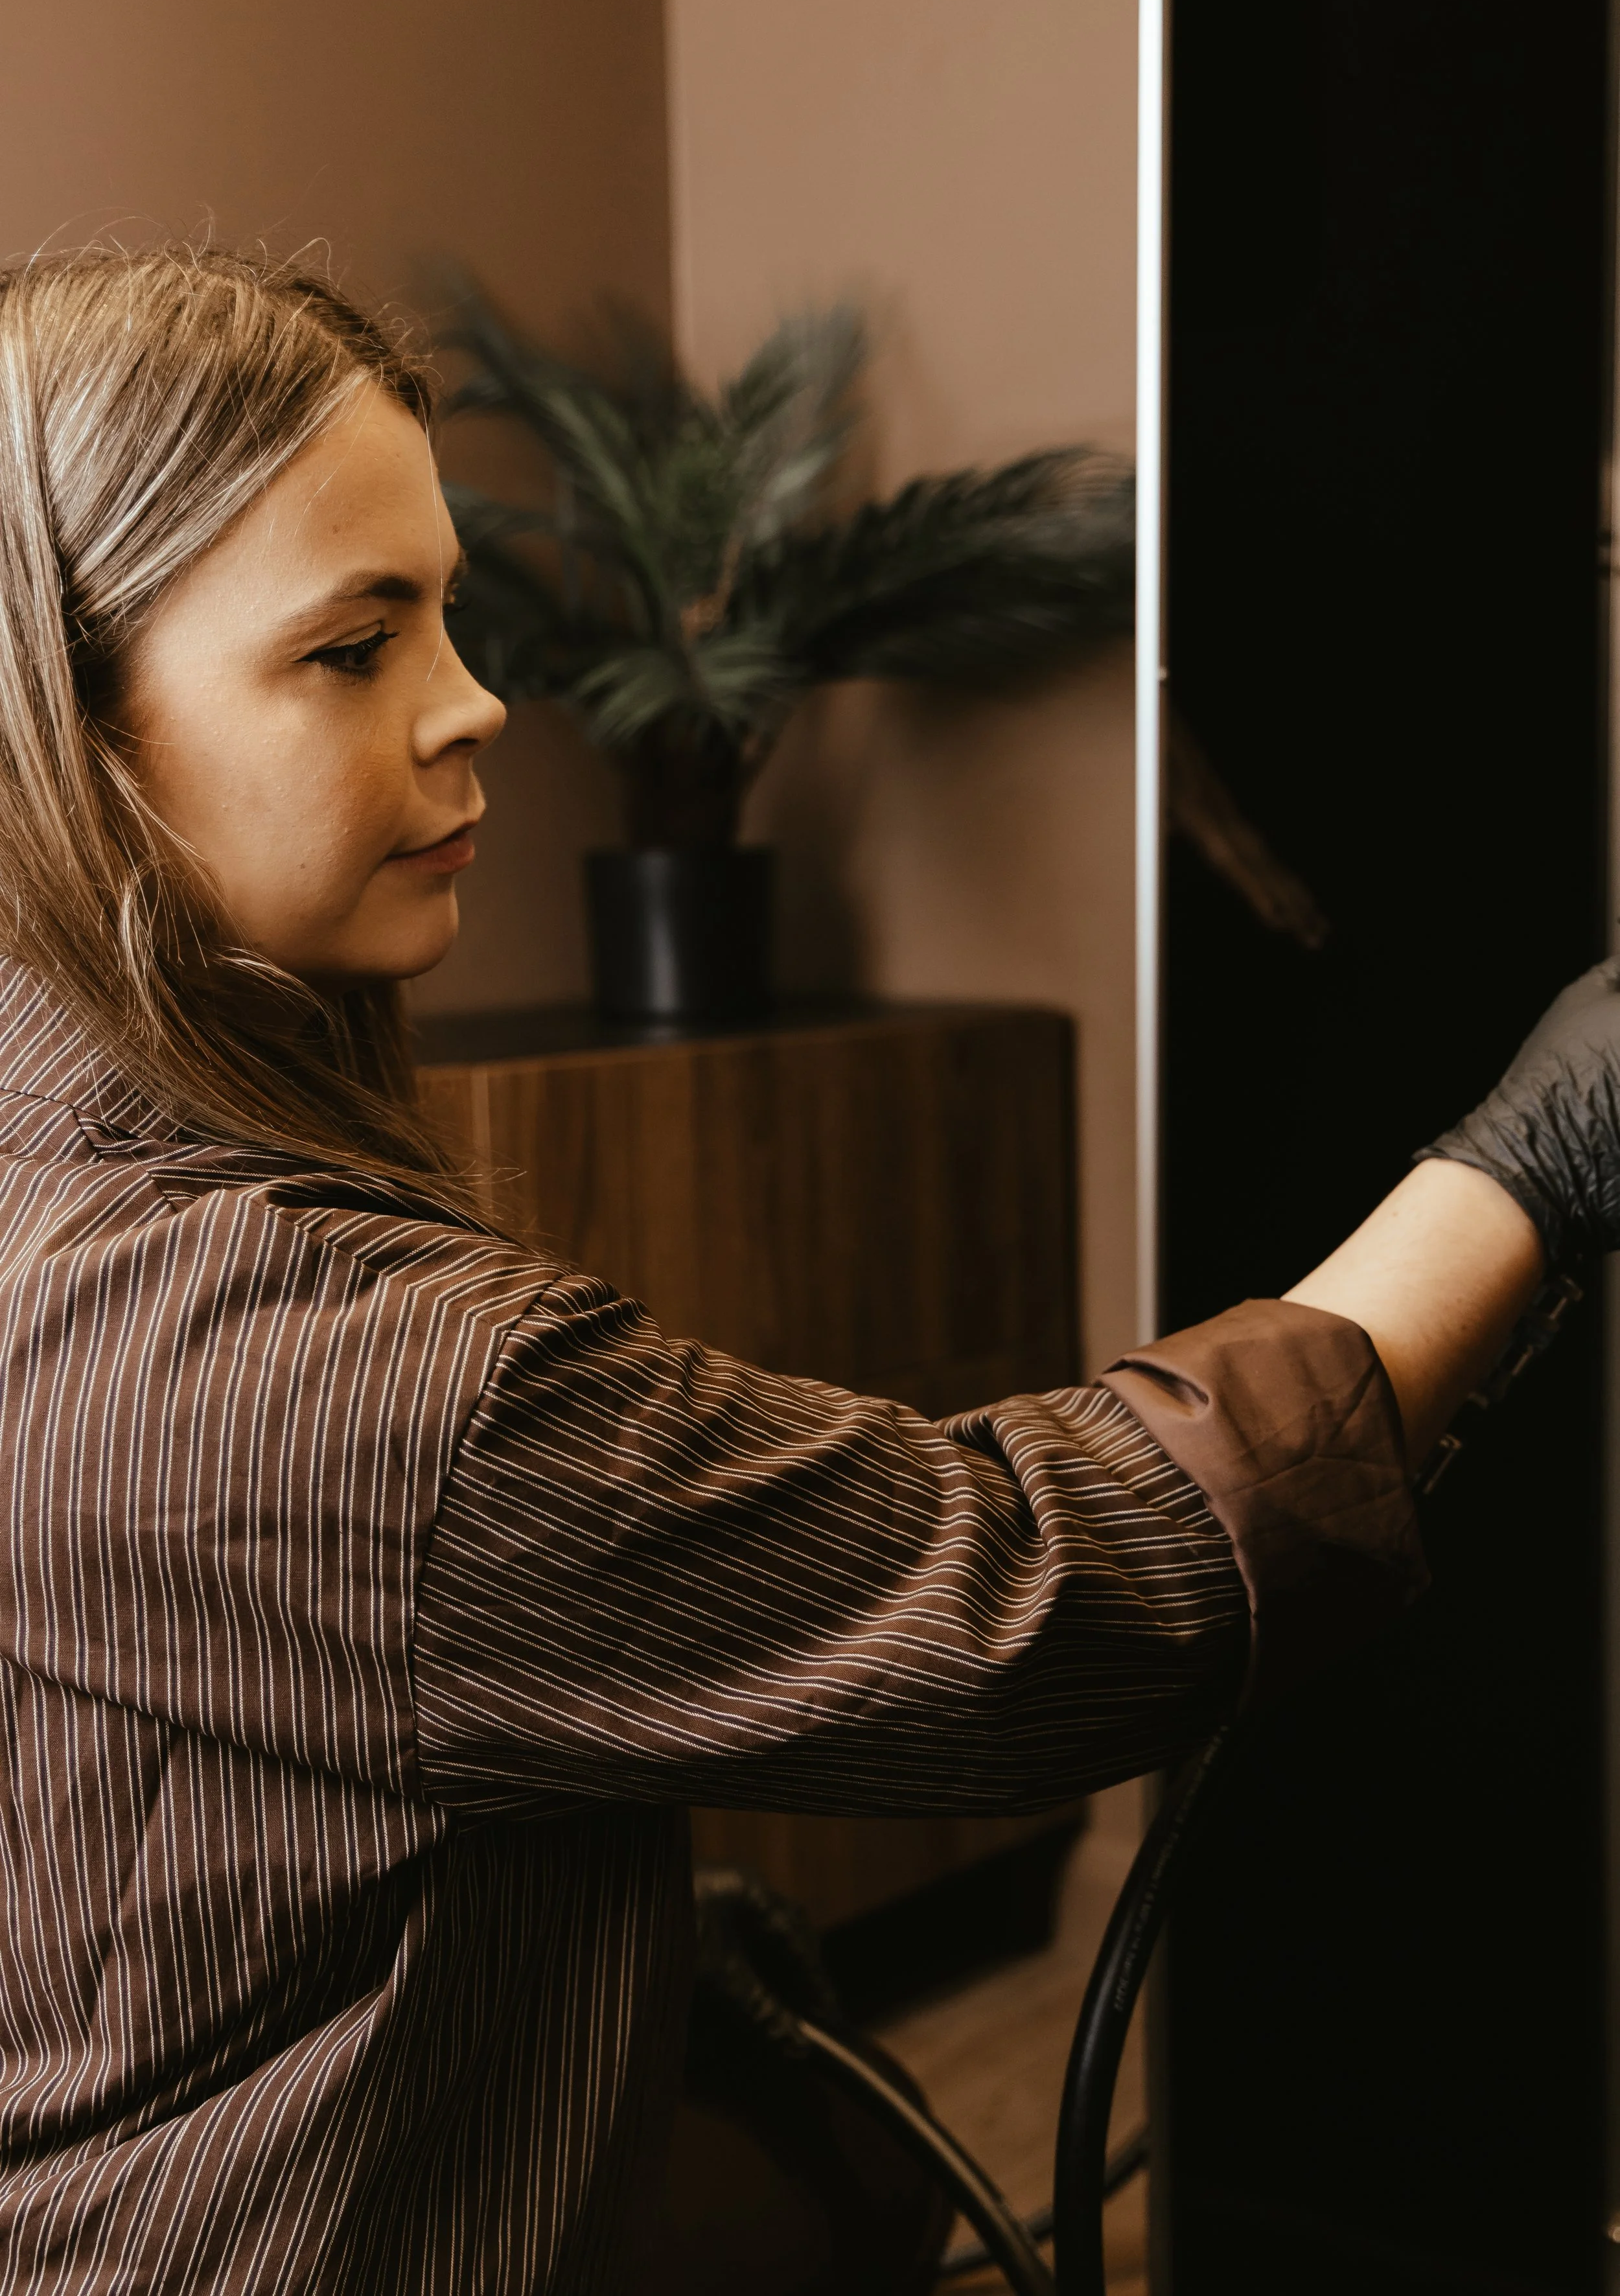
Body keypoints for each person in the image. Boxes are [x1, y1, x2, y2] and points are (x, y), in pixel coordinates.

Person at [0, 244, 1606, 2296]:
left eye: (451, 612)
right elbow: (1030, 1587)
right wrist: (1532, 1157)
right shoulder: (283, 1352)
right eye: (352, 644)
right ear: (70, 721)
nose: (476, 698)